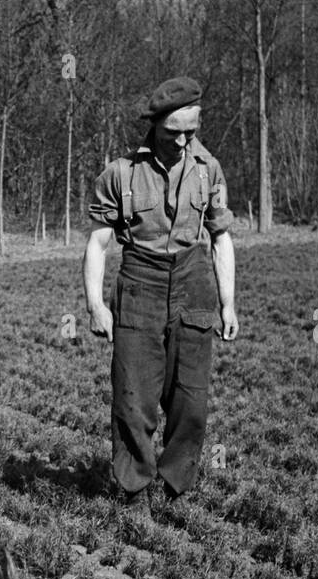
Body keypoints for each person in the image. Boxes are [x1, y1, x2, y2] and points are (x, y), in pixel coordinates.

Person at [81, 76, 238, 513]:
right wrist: (95, 305)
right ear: (154, 127)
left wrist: (228, 303)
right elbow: (97, 243)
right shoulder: (120, 173)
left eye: (192, 131)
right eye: (174, 132)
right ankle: (134, 491)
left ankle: (174, 487)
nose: (184, 141)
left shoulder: (210, 169)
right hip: (140, 284)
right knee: (133, 396)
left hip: (194, 281)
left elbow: (221, 238)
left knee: (190, 399)